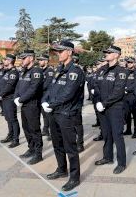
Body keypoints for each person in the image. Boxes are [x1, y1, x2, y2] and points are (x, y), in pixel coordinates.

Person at [42, 40, 84, 191]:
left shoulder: (75, 71)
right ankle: (61, 169)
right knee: (57, 144)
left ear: (70, 52)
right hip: (54, 112)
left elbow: (68, 93)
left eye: (61, 51)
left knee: (70, 147)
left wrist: (51, 105)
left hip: (66, 113)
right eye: (57, 51)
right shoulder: (59, 68)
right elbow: (51, 89)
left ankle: (74, 177)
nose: (58, 54)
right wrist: (44, 101)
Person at [94, 45, 127, 174]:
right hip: (102, 107)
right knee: (106, 134)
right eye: (106, 52)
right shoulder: (102, 70)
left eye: (109, 52)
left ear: (116, 55)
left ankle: (122, 163)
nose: (106, 54)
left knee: (117, 135)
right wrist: (98, 101)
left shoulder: (121, 71)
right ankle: (107, 157)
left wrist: (105, 103)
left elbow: (118, 91)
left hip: (115, 108)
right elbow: (95, 85)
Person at [14, 50, 44, 165]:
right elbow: (18, 86)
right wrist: (16, 97)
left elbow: (34, 88)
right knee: (26, 128)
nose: (22, 60)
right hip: (24, 104)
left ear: (31, 58)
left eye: (24, 58)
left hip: (32, 104)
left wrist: (21, 99)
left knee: (34, 129)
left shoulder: (36, 71)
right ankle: (31, 148)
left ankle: (38, 153)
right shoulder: (24, 71)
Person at [0, 54, 20, 148]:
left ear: (10, 61)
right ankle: (10, 135)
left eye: (5, 60)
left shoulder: (13, 72)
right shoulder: (7, 71)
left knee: (12, 119)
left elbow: (9, 86)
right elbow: (2, 83)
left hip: (10, 98)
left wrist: (1, 93)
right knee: (8, 118)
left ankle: (16, 139)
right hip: (5, 98)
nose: (4, 61)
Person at [38, 54, 54, 141]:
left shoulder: (49, 71)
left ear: (46, 61)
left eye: (41, 60)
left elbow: (48, 84)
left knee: (49, 115)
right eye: (39, 60)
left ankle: (52, 132)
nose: (39, 61)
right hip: (41, 95)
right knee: (44, 114)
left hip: (48, 96)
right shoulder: (41, 70)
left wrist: (37, 88)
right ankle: (45, 129)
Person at [123, 56, 136, 138]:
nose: (129, 64)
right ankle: (128, 130)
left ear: (134, 63)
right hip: (125, 97)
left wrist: (127, 89)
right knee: (127, 114)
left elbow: (135, 84)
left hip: (133, 96)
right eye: (128, 62)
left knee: (135, 115)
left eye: (131, 62)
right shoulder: (125, 72)